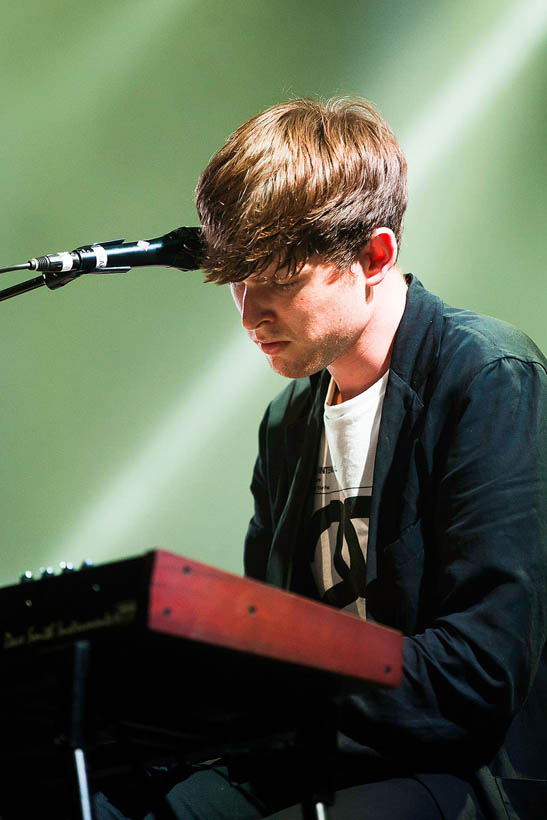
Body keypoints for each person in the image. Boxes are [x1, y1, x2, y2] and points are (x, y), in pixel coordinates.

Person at [97, 98, 547, 819]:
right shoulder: (286, 423)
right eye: (236, 281)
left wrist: (278, 714)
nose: (248, 313)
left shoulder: (486, 376)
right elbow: (271, 638)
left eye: (277, 277)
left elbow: (478, 674)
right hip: (310, 756)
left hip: (457, 771)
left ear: (373, 255)